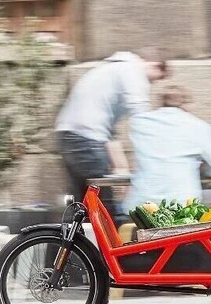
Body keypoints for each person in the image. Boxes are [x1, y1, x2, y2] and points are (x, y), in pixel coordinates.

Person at [55, 49, 168, 226]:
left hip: (68, 135)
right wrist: (159, 152)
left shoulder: (110, 70)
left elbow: (110, 133)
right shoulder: (133, 70)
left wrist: (121, 166)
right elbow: (140, 115)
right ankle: (110, 254)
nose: (150, 85)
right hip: (86, 139)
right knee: (104, 208)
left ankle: (64, 251)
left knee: (80, 208)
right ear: (154, 65)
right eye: (154, 80)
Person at [121, 86, 211, 211]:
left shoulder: (138, 122)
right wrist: (202, 168)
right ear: (187, 105)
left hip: (139, 206)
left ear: (160, 103)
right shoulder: (199, 126)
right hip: (181, 207)